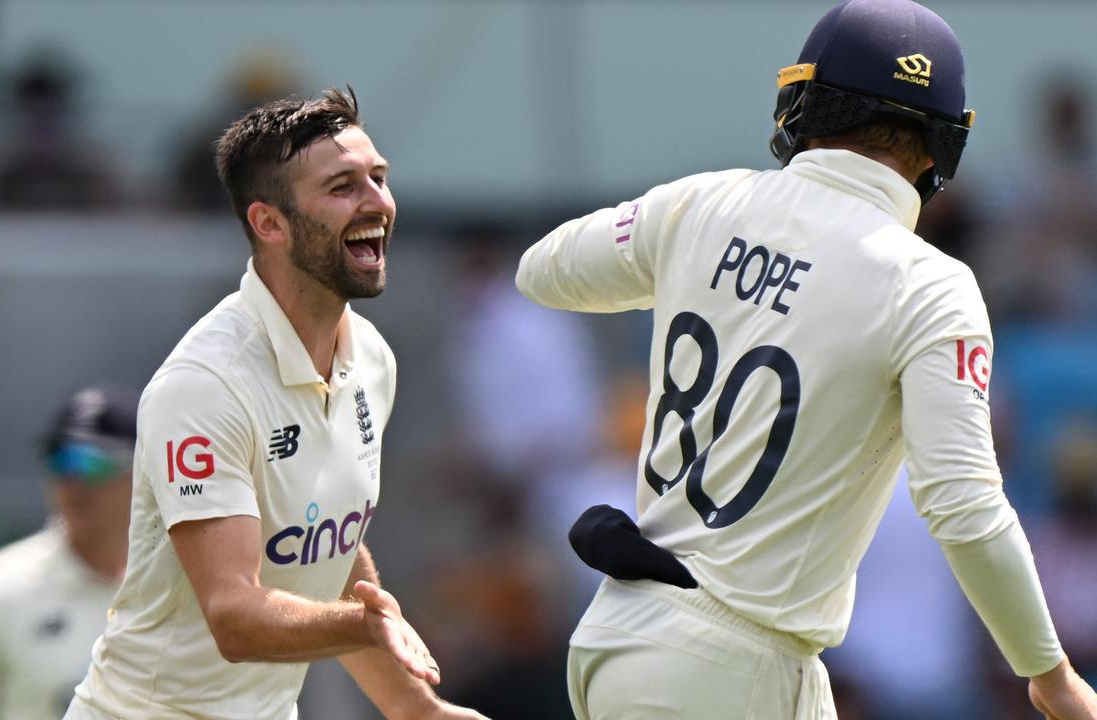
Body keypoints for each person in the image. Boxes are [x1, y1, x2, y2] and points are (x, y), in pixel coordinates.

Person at [515, 1, 1097, 718]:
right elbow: (963, 503)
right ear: (941, 148)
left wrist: (695, 254)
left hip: (634, 635)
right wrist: (1048, 672)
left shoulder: (704, 203)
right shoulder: (928, 285)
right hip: (730, 666)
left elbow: (542, 270)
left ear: (801, 100)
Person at [66, 88, 485, 720]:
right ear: (270, 223)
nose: (378, 203)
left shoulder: (371, 358)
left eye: (379, 178)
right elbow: (234, 616)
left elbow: (331, 560)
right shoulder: (206, 384)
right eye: (343, 186)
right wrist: (365, 627)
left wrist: (417, 711)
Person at [0, 384, 139, 719]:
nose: (73, 479)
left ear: (144, 469)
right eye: (59, 460)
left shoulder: (179, 588)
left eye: (93, 462)